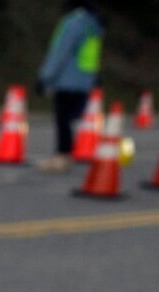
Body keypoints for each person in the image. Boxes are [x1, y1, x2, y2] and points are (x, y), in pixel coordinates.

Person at [36, 0, 103, 172]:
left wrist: (45, 77)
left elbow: (60, 52)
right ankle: (67, 154)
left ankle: (62, 156)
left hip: (68, 79)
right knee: (71, 120)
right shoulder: (93, 25)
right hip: (85, 80)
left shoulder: (73, 23)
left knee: (63, 120)